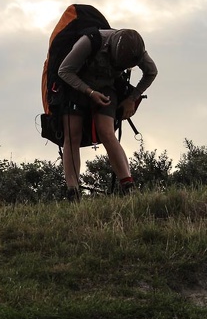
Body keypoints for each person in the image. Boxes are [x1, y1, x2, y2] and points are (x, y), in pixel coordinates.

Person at [57, 28, 158, 200]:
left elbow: (151, 72)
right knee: (72, 134)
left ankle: (128, 186)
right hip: (75, 84)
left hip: (106, 86)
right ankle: (72, 191)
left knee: (106, 131)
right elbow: (64, 71)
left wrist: (132, 99)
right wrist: (89, 92)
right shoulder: (89, 42)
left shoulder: (137, 51)